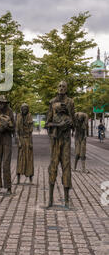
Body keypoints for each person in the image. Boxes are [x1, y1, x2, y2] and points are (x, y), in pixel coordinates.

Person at [45, 81, 75, 209]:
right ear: (57, 88)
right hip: (55, 140)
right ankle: (50, 199)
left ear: (66, 89)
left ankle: (67, 200)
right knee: (53, 166)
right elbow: (47, 124)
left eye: (64, 86)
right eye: (60, 86)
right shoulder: (52, 102)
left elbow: (74, 123)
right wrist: (58, 125)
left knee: (66, 166)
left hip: (66, 140)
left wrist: (68, 117)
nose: (61, 88)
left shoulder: (71, 102)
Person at [0, 95, 15, 195]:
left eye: (4, 103)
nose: (3, 105)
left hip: (7, 139)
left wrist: (7, 128)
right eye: (1, 103)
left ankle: (8, 187)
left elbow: (13, 128)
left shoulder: (10, 111)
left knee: (6, 163)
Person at [16, 103, 34, 184]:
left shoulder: (29, 116)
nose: (24, 110)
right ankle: (18, 179)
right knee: (20, 159)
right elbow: (17, 131)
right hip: (21, 139)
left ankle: (30, 179)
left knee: (29, 159)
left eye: (26, 109)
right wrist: (19, 142)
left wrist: (30, 142)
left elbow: (30, 131)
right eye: (23, 109)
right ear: (21, 109)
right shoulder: (18, 116)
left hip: (28, 139)